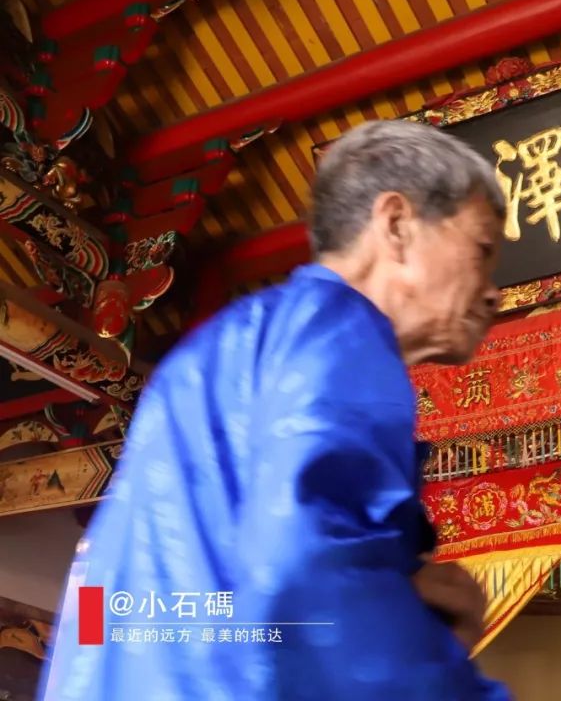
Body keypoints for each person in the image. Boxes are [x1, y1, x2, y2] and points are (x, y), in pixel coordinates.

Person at [39, 121, 512, 700]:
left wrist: (409, 598)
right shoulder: (340, 332)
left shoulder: (222, 347)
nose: (494, 291)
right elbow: (312, 579)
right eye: (482, 249)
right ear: (396, 226)